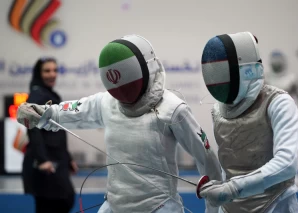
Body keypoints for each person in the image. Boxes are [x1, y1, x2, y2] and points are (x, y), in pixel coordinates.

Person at [17, 35, 222, 213]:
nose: (123, 93)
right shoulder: (107, 102)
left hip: (160, 207)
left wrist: (214, 207)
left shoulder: (173, 108)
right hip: (114, 205)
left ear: (146, 68)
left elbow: (205, 157)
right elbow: (73, 111)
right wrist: (42, 113)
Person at [198, 32, 298, 213]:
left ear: (246, 69)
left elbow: (287, 164)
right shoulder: (218, 110)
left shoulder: (278, 103)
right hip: (229, 208)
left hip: (276, 206)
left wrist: (232, 188)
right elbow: (228, 166)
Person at [22, 57, 78, 213]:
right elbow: (33, 130)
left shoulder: (49, 95)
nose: (52, 74)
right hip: (45, 162)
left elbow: (57, 133)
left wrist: (68, 158)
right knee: (55, 202)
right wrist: (43, 160)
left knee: (63, 200)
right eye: (47, 70)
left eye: (55, 70)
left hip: (56, 158)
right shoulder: (36, 97)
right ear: (39, 73)